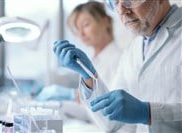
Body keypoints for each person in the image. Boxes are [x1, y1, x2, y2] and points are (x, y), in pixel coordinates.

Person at [53, 0, 182, 133]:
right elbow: (111, 122)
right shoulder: (132, 50)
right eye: (114, 3)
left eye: (129, 0)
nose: (121, 11)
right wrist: (89, 77)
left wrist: (148, 113)